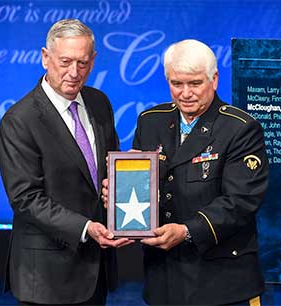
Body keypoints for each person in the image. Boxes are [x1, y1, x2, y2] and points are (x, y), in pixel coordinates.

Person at [109, 39, 270, 305]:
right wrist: (119, 193)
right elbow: (144, 188)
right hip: (164, 278)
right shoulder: (150, 121)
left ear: (214, 79)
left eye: (195, 84)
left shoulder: (240, 128)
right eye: (176, 84)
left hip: (222, 280)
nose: (185, 93)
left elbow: (241, 202)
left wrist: (186, 231)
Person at [0, 19, 131, 305]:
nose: (74, 73)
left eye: (82, 63)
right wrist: (86, 228)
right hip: (47, 276)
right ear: (45, 57)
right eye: (65, 61)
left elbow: (107, 169)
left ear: (93, 61)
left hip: (97, 269)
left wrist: (127, 177)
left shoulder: (99, 102)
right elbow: (26, 199)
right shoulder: (20, 121)